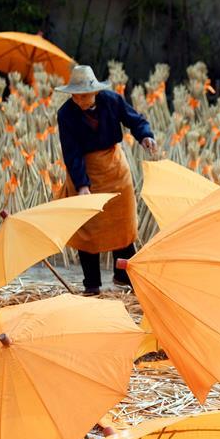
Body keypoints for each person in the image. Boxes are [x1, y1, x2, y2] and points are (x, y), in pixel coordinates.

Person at [55, 65, 158, 295]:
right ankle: (92, 284)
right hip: (85, 170)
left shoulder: (112, 101)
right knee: (88, 229)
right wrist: (82, 185)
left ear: (95, 92)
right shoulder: (66, 114)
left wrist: (145, 136)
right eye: (75, 96)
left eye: (83, 95)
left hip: (115, 169)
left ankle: (123, 275)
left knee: (121, 223)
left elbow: (135, 120)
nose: (79, 100)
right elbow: (71, 153)